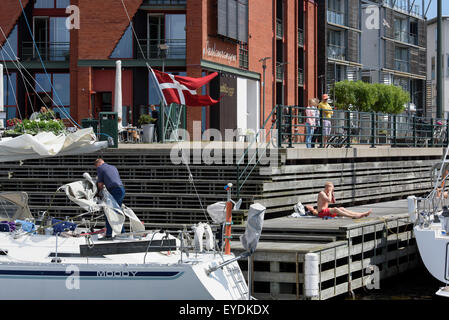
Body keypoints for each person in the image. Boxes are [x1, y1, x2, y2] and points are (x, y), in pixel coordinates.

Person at [95, 158, 126, 239]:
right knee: (117, 212)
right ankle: (122, 233)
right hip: (121, 189)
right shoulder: (113, 167)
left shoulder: (100, 168)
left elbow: (100, 185)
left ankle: (109, 234)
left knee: (109, 212)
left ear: (98, 164)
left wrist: (98, 194)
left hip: (114, 190)